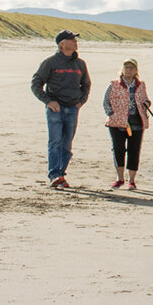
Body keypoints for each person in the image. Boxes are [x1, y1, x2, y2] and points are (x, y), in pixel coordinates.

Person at [30, 30, 92, 189]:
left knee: (67, 145)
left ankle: (61, 174)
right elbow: (36, 83)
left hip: (73, 109)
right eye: (71, 40)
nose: (75, 42)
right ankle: (54, 175)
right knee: (55, 142)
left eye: (75, 40)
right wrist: (48, 101)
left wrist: (81, 102)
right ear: (62, 44)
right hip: (55, 109)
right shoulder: (50, 62)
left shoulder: (80, 64)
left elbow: (86, 85)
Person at [101, 59, 153, 190]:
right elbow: (106, 101)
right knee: (118, 149)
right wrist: (111, 114)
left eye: (131, 68)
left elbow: (145, 98)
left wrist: (147, 103)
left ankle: (132, 180)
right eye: (126, 67)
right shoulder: (113, 84)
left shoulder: (140, 85)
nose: (128, 70)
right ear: (122, 69)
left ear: (136, 70)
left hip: (136, 122)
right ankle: (119, 179)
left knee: (134, 151)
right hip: (117, 122)